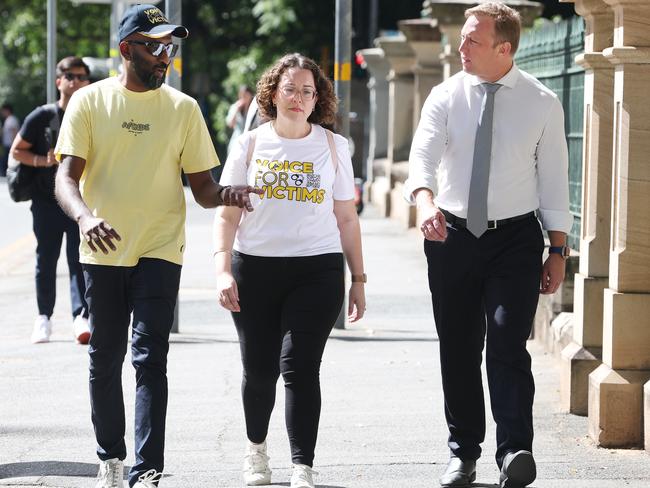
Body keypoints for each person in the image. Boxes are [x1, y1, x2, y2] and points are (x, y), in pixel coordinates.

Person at [53, 4, 261, 488]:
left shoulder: (183, 109)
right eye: (154, 45)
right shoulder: (88, 102)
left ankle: (147, 468)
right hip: (101, 249)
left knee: (150, 356)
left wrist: (228, 193)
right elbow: (66, 179)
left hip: (160, 249)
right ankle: (111, 456)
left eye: (169, 46)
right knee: (105, 355)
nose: (164, 55)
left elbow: (204, 190)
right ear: (127, 50)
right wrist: (84, 217)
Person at [404, 4, 573, 488]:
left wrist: (557, 251)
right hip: (451, 235)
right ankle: (464, 453)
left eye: (472, 41)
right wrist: (424, 201)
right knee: (458, 348)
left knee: (506, 343)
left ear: (505, 48)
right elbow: (424, 154)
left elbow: (554, 180)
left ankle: (515, 450)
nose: (461, 48)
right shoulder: (445, 95)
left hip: (515, 240)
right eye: (462, 39)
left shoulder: (541, 102)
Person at [214, 53, 366, 488]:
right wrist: (223, 270)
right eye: (290, 89)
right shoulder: (249, 145)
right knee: (259, 369)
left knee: (299, 366)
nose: (298, 98)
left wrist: (358, 278)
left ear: (317, 98)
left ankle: (303, 465)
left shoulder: (333, 146)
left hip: (316, 271)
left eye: (307, 91)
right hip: (254, 269)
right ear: (272, 93)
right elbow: (226, 216)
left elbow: (347, 218)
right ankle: (256, 451)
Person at [9, 57, 92, 344]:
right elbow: (17, 150)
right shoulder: (42, 116)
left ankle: (81, 317)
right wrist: (41, 161)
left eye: (82, 76)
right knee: (46, 260)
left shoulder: (91, 114)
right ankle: (43, 318)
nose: (76, 81)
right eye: (70, 75)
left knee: (79, 260)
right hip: (46, 201)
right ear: (59, 81)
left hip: (79, 201)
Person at [226, 85, 254, 153]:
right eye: (242, 95)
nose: (244, 97)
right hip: (237, 140)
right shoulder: (235, 106)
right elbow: (230, 124)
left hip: (251, 142)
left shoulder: (254, 109)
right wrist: (236, 110)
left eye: (246, 95)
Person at [1, 103, 20, 177]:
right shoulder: (8, 119)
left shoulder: (12, 119)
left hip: (10, 145)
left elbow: (14, 132)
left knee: (9, 161)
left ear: (7, 110)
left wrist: (14, 144)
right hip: (8, 144)